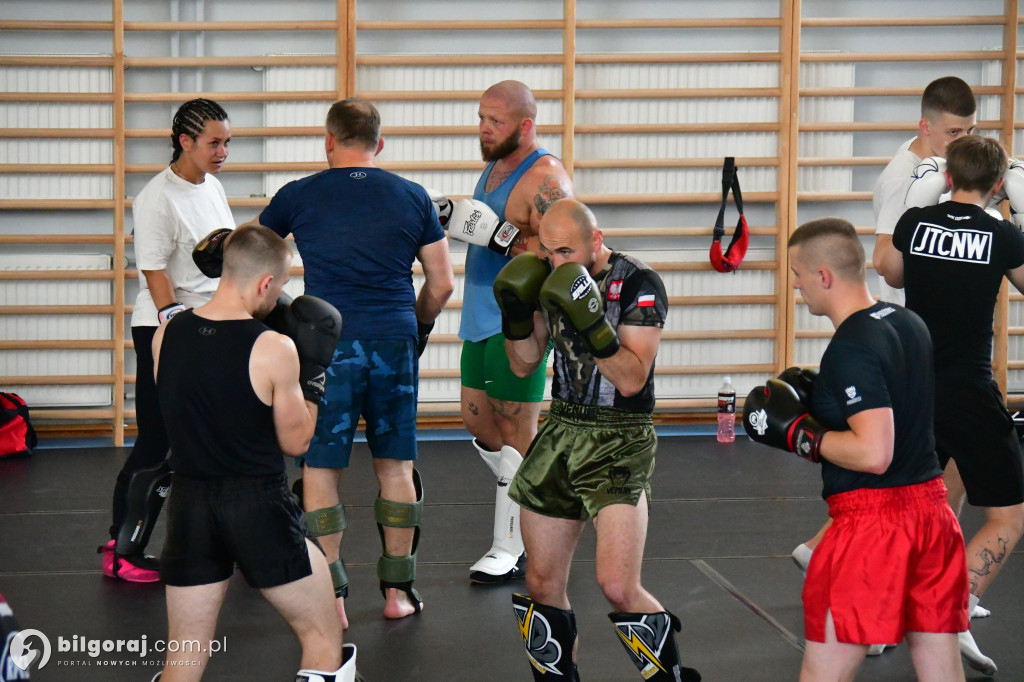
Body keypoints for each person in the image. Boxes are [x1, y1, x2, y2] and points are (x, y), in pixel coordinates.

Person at [791, 77, 979, 642]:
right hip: (891, 334)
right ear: (926, 127)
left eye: (970, 131)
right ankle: (876, 602)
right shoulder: (904, 178)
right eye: (954, 132)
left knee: (921, 466)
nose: (963, 141)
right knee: (897, 466)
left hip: (912, 331)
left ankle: (905, 598)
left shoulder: (943, 170)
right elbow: (888, 265)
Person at [254, 97, 454, 625]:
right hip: (393, 340)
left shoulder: (297, 195)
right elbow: (441, 283)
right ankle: (397, 594)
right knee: (396, 466)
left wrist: (290, 318)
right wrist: (418, 327)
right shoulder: (413, 197)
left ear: (328, 141)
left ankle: (332, 597)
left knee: (320, 469)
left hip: (328, 347)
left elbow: (256, 269)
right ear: (379, 144)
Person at [743, 217, 968, 682]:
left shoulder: (851, 347)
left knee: (824, 673)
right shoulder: (908, 322)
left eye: (798, 276)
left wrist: (802, 436)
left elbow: (873, 453)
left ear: (823, 276)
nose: (797, 286)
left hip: (873, 527)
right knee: (939, 666)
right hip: (932, 516)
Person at [501, 199, 700, 681]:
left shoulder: (639, 283)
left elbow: (632, 379)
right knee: (541, 581)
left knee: (615, 583)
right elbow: (523, 363)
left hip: (620, 436)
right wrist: (516, 314)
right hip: (561, 428)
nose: (555, 261)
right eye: (547, 251)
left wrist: (592, 322)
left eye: (566, 250)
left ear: (596, 239)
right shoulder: (550, 278)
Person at [151, 225, 354, 681]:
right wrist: (313, 374)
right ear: (266, 283)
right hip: (257, 504)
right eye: (279, 287)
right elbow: (296, 442)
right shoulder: (274, 348)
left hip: (188, 505)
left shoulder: (167, 334)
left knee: (183, 658)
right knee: (323, 640)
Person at [883, 135, 1024, 676]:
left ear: (946, 178)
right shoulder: (1002, 234)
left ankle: (883, 617)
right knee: (1008, 514)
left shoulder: (914, 225)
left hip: (914, 386)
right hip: (968, 388)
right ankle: (950, 613)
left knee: (913, 506)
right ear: (996, 184)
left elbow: (891, 273)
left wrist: (917, 205)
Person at [446, 80, 575, 584]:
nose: (483, 128)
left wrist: (502, 238)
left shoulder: (546, 176)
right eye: (480, 117)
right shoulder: (495, 164)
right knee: (479, 424)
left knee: (517, 432)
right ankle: (547, 485)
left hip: (520, 321)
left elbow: (565, 252)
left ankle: (511, 546)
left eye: (494, 121)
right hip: (480, 310)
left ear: (525, 125)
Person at [100, 98, 235, 583]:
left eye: (226, 142)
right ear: (185, 141)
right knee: (158, 441)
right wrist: (177, 334)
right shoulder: (158, 197)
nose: (222, 152)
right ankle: (122, 547)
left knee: (214, 439)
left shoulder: (213, 186)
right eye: (213, 143)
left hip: (211, 322)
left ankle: (229, 538)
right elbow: (153, 271)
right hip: (164, 327)